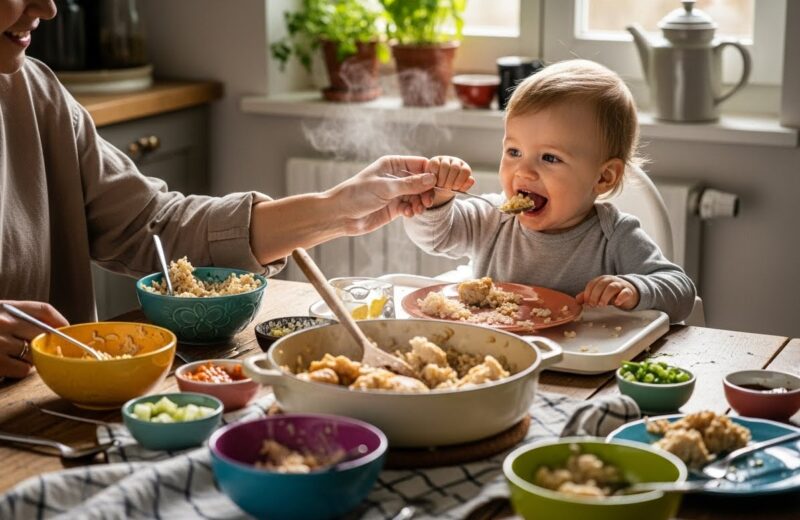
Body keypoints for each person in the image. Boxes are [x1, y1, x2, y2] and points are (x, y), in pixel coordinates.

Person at [0, 0, 438, 379]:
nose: (49, 8)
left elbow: (154, 224)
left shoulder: (36, 96)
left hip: (49, 408)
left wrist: (339, 209)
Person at [404, 59, 696, 323]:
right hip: (500, 357)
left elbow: (681, 291)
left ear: (604, 177)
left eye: (550, 158)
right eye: (514, 151)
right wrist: (438, 198)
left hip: (582, 363)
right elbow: (435, 238)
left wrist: (636, 288)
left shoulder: (614, 236)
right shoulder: (493, 219)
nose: (524, 171)